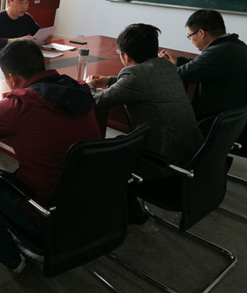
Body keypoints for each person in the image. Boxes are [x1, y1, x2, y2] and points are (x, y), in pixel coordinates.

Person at [0, 40, 101, 273]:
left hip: (47, 217)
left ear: (12, 79)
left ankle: (10, 258)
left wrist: (10, 99)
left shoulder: (21, 105)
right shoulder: (79, 89)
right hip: (93, 208)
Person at [86, 24, 204, 223]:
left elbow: (94, 104)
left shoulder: (134, 77)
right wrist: (110, 80)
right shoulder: (167, 66)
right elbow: (145, 81)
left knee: (105, 155)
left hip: (163, 164)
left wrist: (89, 86)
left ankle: (132, 212)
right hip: (193, 156)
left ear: (126, 57)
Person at [158, 9, 247, 119]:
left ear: (201, 33)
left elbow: (179, 76)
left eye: (190, 36)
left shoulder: (218, 52)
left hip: (216, 120)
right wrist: (178, 61)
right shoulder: (235, 45)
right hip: (235, 119)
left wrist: (160, 64)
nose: (191, 41)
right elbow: (202, 65)